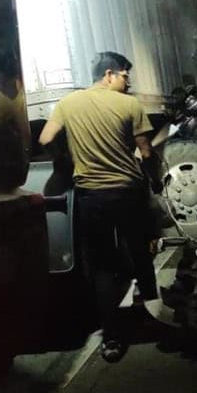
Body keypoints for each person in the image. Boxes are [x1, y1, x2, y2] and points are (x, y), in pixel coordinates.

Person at [39, 51, 163, 363]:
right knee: (141, 252)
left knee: (103, 267)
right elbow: (146, 152)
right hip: (128, 192)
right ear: (108, 74)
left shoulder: (68, 104)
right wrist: (156, 182)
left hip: (91, 195)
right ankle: (155, 316)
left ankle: (111, 337)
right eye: (124, 75)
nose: (127, 81)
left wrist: (66, 159)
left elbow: (45, 138)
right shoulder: (129, 105)